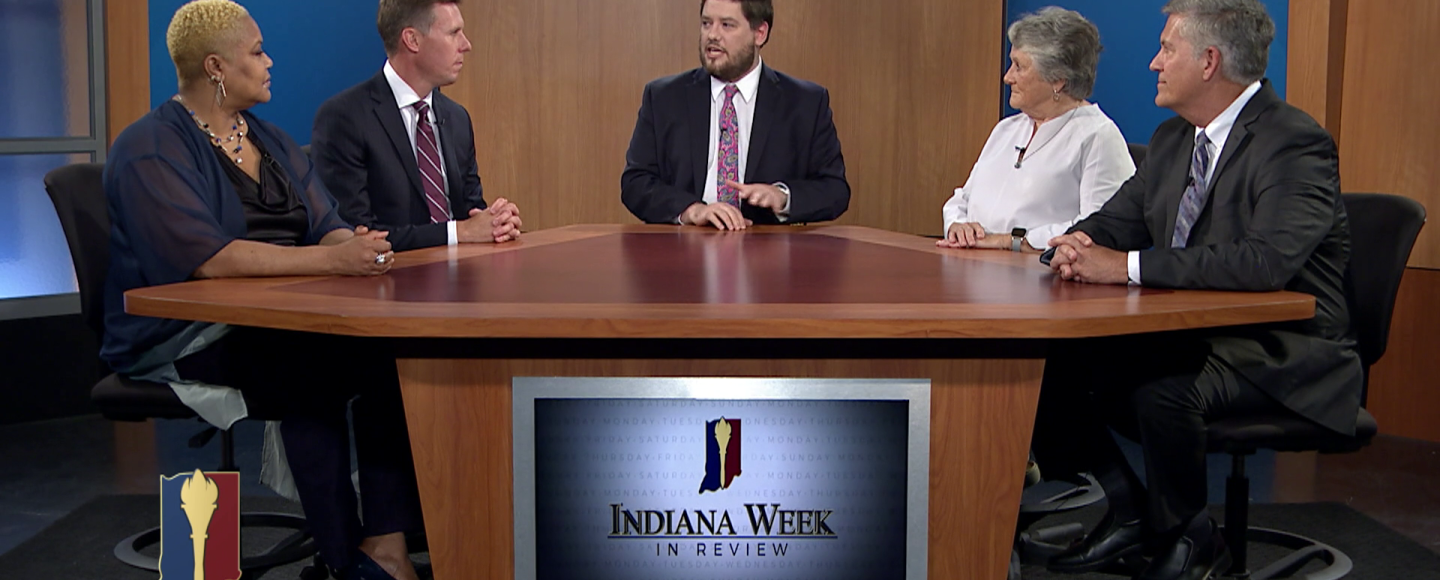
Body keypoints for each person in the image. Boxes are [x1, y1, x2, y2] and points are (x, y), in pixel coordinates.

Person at [1035, 1, 1362, 579]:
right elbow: (1117, 222)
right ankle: (1132, 510)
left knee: (1163, 389)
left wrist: (1124, 267)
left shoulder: (1293, 142)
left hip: (1283, 346)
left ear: (1209, 61)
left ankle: (1193, 541)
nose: (1154, 62)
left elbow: (1265, 262)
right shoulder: (1172, 140)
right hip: (1195, 335)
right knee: (1050, 366)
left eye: (1168, 49)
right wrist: (1075, 244)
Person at [104, 2, 425, 578]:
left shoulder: (270, 139)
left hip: (277, 320)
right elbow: (209, 261)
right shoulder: (150, 148)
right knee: (311, 370)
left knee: (389, 353)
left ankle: (386, 541)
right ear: (216, 67)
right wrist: (331, 262)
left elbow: (327, 225)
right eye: (256, 52)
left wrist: (357, 247)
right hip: (185, 333)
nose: (270, 61)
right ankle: (344, 560)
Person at [621, 0, 850, 230]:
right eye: (706, 23)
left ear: (759, 33)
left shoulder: (805, 103)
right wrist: (691, 210)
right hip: (685, 244)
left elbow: (835, 190)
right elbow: (635, 183)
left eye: (727, 25)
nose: (712, 35)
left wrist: (783, 197)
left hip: (766, 246)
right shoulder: (664, 98)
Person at [313, 0, 521, 252]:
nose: (466, 45)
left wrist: (497, 223)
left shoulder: (457, 118)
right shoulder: (345, 118)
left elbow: (471, 211)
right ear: (412, 40)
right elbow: (355, 236)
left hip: (463, 269)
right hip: (391, 273)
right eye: (453, 33)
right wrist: (459, 232)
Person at [938, 7, 1132, 253]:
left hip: (1043, 272)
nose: (1007, 77)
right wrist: (958, 226)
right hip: (973, 264)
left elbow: (1099, 230)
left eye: (1019, 66)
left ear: (1057, 79)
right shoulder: (1006, 129)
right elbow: (962, 199)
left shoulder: (1098, 137)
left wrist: (1011, 241)